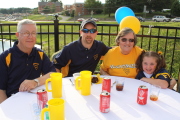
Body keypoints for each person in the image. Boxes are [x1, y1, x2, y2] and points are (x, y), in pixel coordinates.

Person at [0, 19, 56, 103]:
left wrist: (36, 82)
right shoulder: (5, 57)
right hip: (14, 101)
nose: (30, 36)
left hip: (35, 99)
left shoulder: (39, 54)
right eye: (26, 33)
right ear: (17, 35)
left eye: (33, 33)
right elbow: (1, 90)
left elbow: (53, 74)